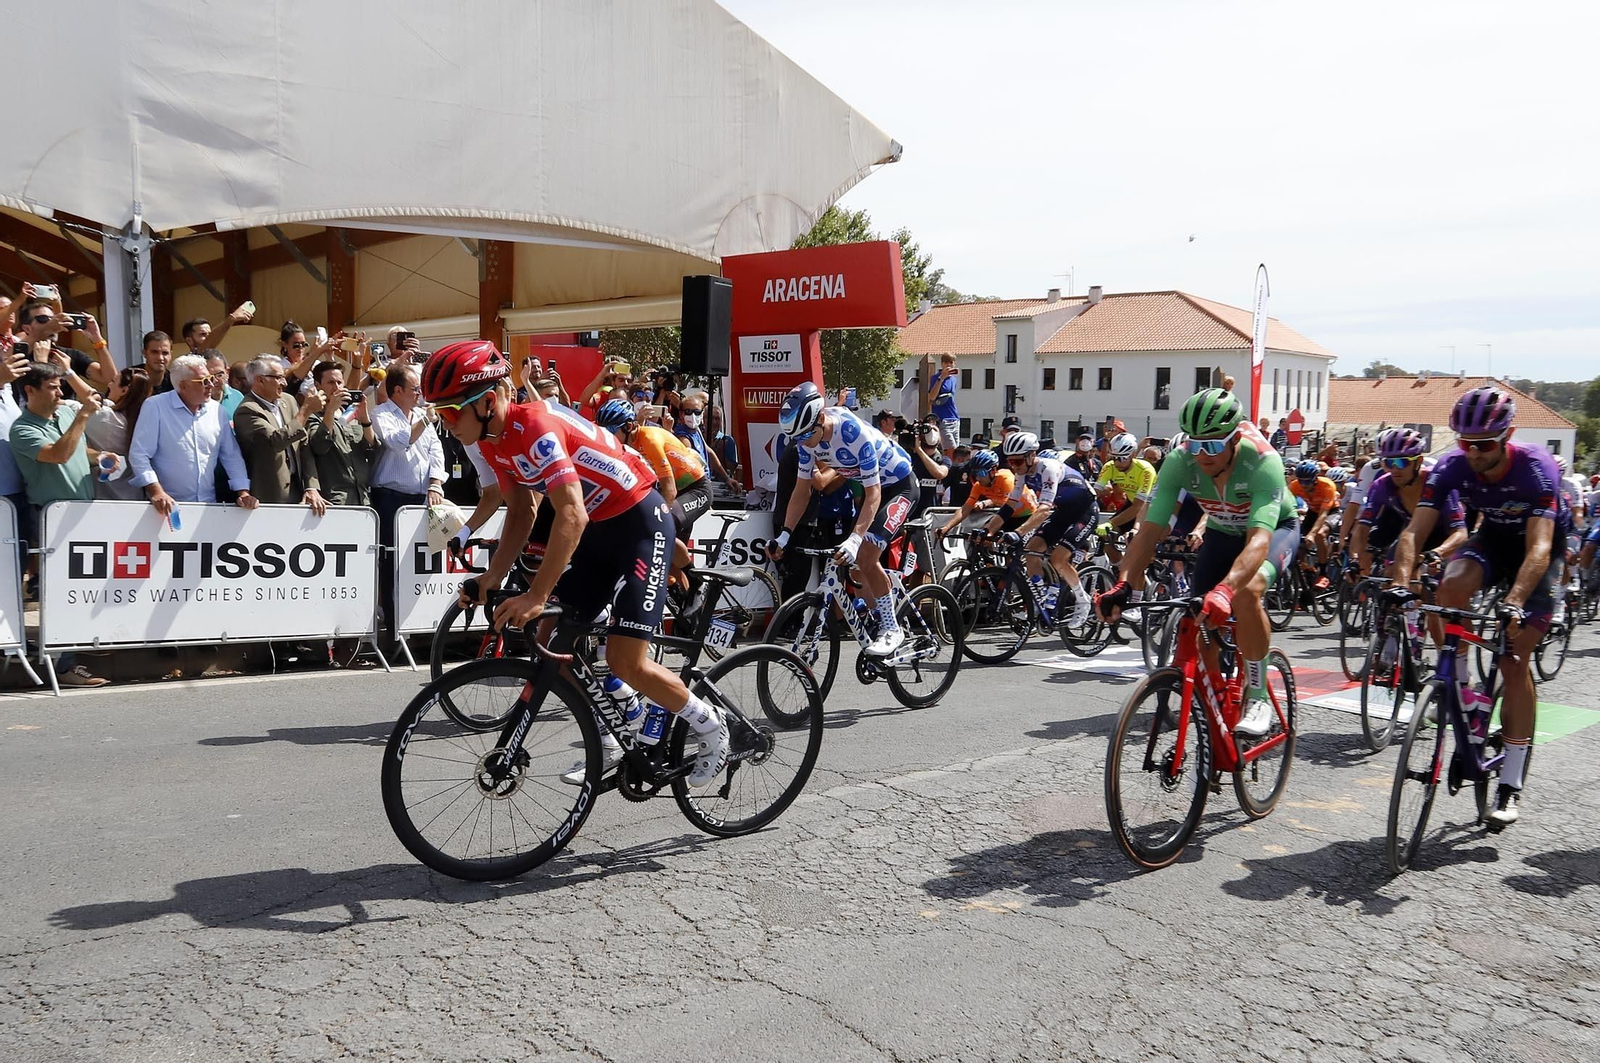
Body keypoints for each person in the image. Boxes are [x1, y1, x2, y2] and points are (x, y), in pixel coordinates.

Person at [423, 340, 729, 787]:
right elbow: (523, 512)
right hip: (602, 530)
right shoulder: (492, 441)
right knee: (553, 645)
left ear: (488, 402)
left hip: (642, 521)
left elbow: (571, 513)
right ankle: (610, 736)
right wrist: (492, 577)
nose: (446, 425)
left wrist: (537, 593)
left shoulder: (536, 426)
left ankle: (709, 724)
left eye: (450, 413)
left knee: (627, 660)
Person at [1386, 386, 1564, 829]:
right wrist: (1399, 584)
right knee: (1451, 584)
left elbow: (1539, 546)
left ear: (1507, 436)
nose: (1474, 452)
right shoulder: (1450, 466)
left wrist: (1515, 601)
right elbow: (1414, 531)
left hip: (1536, 555)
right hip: (1492, 542)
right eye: (1465, 442)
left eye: (1483, 444)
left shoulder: (1536, 468)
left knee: (1513, 656)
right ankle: (1460, 684)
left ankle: (1511, 777)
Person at [1099, 389, 1301, 738]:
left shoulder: (1263, 461)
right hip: (1222, 532)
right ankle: (1214, 697)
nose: (1202, 455)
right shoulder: (1180, 461)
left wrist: (1226, 590)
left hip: (1273, 531)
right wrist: (1124, 584)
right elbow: (1150, 529)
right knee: (1198, 615)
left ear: (1235, 438)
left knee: (1246, 592)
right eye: (1195, 445)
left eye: (1212, 445)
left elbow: (1258, 539)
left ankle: (1257, 697)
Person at [768, 382, 919, 656]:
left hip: (898, 487)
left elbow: (873, 495)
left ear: (820, 419)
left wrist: (855, 538)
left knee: (865, 554)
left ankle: (891, 628)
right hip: (875, 492)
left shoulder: (852, 433)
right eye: (797, 438)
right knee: (855, 565)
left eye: (805, 436)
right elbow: (802, 490)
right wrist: (785, 534)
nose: (802, 443)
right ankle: (876, 615)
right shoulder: (807, 440)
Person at [9, 363, 108, 687]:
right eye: (52, 387)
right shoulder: (22, 429)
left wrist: (100, 456)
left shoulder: (64, 416)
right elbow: (58, 455)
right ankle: (61, 665)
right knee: (60, 592)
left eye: (59, 386)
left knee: (79, 589)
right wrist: (82, 417)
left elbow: (77, 449)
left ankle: (67, 659)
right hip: (50, 516)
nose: (59, 392)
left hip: (81, 513)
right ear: (30, 390)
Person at [370, 364, 447, 646]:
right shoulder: (381, 414)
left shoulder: (421, 416)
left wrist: (435, 483)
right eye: (415, 389)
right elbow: (396, 442)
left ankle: (420, 630)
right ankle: (392, 630)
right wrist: (425, 421)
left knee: (418, 564)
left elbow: (435, 451)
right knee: (391, 563)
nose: (419, 394)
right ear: (397, 390)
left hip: (420, 497)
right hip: (390, 497)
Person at [594, 398, 709, 583]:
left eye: (611, 433)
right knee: (659, 551)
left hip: (696, 489)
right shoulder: (625, 443)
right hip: (675, 490)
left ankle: (695, 579)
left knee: (660, 527)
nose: (608, 439)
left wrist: (657, 519)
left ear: (628, 427)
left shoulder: (649, 438)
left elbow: (669, 489)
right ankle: (678, 595)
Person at [128, 354, 256, 512]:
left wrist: (243, 492)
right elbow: (139, 454)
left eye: (211, 378)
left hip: (208, 506)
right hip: (165, 508)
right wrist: (156, 492)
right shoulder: (155, 407)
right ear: (183, 386)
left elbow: (231, 455)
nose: (211, 384)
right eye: (204, 381)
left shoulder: (217, 410)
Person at [1004, 431, 1099, 628]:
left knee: (1058, 558)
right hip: (1064, 511)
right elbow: (1009, 505)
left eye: (1018, 462)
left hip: (1085, 512)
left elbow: (1044, 509)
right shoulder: (1023, 472)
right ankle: (1040, 602)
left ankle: (1083, 601)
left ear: (1031, 456)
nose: (1014, 467)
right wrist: (987, 530)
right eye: (1010, 462)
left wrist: (1018, 532)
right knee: (1032, 552)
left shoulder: (1048, 468)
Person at [232, 358, 327, 515]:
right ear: (260, 380)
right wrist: (306, 411)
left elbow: (304, 445)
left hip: (300, 494)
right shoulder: (247, 410)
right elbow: (275, 442)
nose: (284, 383)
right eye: (278, 377)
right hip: (268, 498)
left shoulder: (288, 401)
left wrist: (311, 486)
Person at [10, 298, 115, 389]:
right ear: (27, 328)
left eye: (53, 318)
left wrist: (97, 338)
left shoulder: (69, 355)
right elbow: (7, 359)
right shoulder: (20, 356)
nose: (53, 322)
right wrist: (48, 328)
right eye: (43, 319)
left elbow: (109, 378)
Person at [935, 448, 1035, 541]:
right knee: (981, 538)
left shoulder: (1006, 479)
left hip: (1026, 516)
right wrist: (947, 527)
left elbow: (1008, 504)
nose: (978, 477)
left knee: (1016, 550)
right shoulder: (978, 485)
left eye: (982, 473)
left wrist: (988, 502)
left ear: (993, 471)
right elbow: (964, 509)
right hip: (1006, 517)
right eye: (975, 473)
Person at [85, 367, 153, 502]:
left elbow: (83, 405)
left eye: (113, 381)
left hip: (103, 499)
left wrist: (69, 373)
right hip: (135, 497)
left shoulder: (107, 417)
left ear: (124, 390)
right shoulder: (144, 421)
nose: (109, 385)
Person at [1094, 432, 1157, 545]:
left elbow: (1138, 506)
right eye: (1114, 458)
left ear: (1132, 455)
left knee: (1134, 541)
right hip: (1132, 503)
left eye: (1121, 458)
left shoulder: (1145, 470)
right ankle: (1119, 563)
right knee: (1105, 538)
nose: (1117, 463)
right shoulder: (1110, 466)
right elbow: (1094, 494)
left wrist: (1110, 523)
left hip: (1150, 507)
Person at [676, 391, 741, 494]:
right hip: (693, 489)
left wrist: (726, 478)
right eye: (688, 411)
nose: (693, 416)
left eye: (697, 412)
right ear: (681, 414)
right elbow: (690, 458)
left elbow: (709, 452)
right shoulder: (682, 435)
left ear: (702, 414)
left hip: (704, 486)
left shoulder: (696, 430)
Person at [1287, 459, 1339, 582]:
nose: (1304, 486)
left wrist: (1312, 534)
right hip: (1312, 511)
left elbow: (1323, 514)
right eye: (1301, 481)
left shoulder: (1327, 486)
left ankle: (1323, 573)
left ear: (1316, 478)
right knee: (1298, 541)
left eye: (1308, 482)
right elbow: (1284, 504)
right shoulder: (1295, 485)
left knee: (1319, 535)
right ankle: (1306, 569)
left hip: (1331, 512)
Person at [179, 303, 254, 354]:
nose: (209, 336)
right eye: (203, 334)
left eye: (210, 333)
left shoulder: (216, 359)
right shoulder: (186, 363)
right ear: (189, 341)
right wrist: (232, 318)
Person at [928, 353, 961, 453]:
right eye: (946, 362)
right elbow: (932, 396)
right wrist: (941, 378)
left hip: (954, 418)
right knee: (951, 450)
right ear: (942, 363)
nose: (948, 365)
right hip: (943, 419)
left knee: (956, 452)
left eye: (951, 362)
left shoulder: (953, 380)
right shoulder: (935, 378)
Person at [704, 404, 740, 486]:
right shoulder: (698, 438)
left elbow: (732, 468)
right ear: (704, 420)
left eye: (717, 419)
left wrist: (720, 452)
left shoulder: (727, 440)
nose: (714, 422)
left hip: (720, 485)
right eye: (711, 418)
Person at [207, 353, 246, 419]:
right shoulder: (197, 403)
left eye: (219, 375)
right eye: (209, 376)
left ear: (227, 373)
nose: (215, 380)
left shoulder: (237, 396)